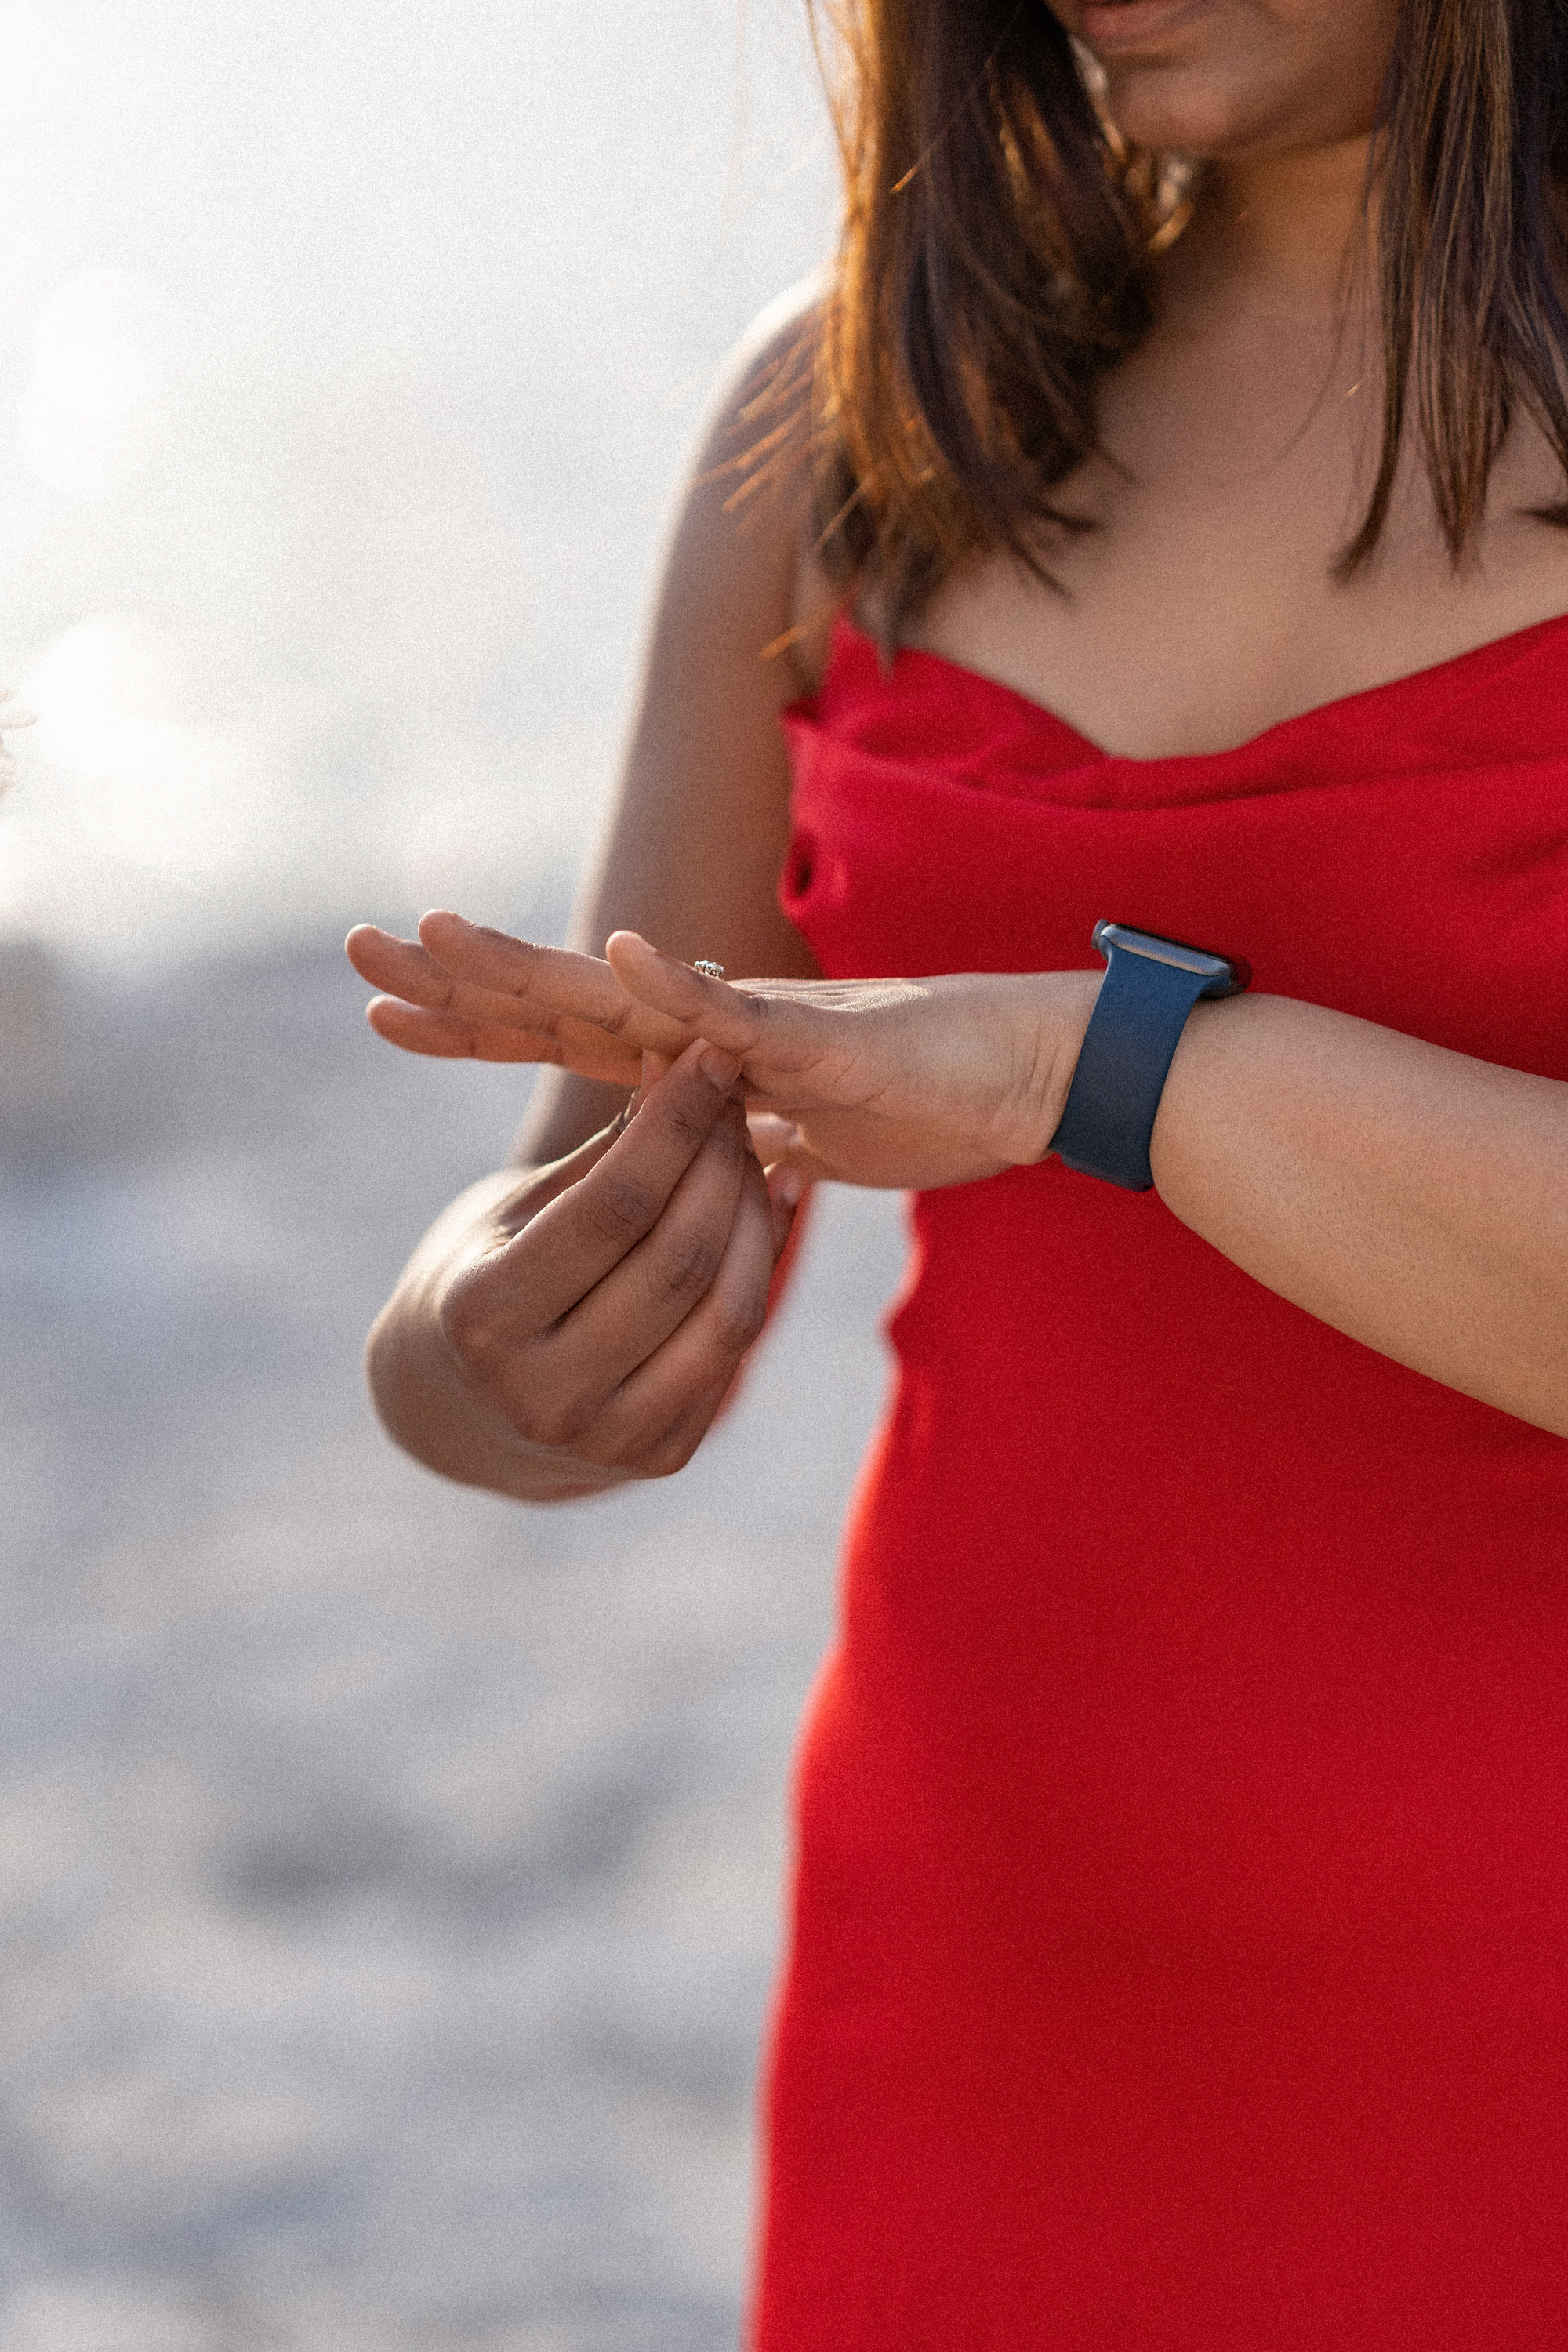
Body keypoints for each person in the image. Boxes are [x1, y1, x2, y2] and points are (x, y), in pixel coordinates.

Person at [347, 0, 1568, 2337]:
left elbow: (1046, 1072)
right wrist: (485, 1346)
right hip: (985, 1984)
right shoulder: (855, 424)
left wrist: (1093, 1070)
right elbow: (538, 1266)